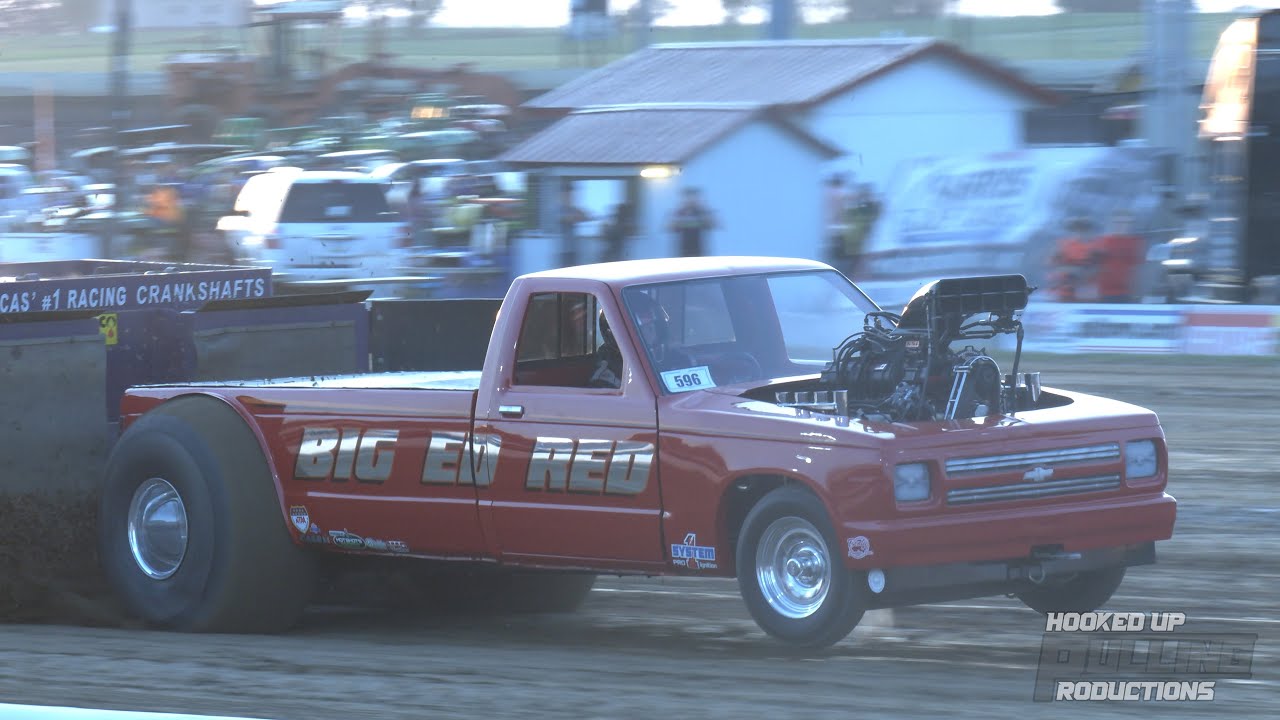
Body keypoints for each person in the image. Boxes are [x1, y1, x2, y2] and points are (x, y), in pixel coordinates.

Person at [1094, 210, 1145, 303]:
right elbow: (1094, 268)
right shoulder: (1102, 242)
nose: (1122, 225)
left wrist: (1138, 293)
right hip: (1102, 294)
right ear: (1112, 224)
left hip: (1128, 294)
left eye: (1126, 223)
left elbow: (1139, 270)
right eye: (1119, 222)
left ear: (1131, 224)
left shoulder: (1136, 243)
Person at [1048, 216, 1100, 302]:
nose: (1080, 233)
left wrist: (1084, 273)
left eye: (1084, 229)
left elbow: (1097, 267)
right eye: (1076, 230)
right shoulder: (1062, 245)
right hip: (1063, 289)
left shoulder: (1095, 247)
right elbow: (1052, 265)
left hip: (1087, 289)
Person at [668, 187, 717, 257]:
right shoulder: (680, 213)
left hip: (699, 251)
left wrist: (706, 215)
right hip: (683, 252)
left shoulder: (702, 212)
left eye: (693, 198)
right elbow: (670, 227)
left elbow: (712, 224)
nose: (691, 200)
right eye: (688, 198)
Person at [558, 185, 589, 267]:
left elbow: (585, 216)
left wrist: (575, 216)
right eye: (567, 195)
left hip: (573, 249)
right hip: (561, 250)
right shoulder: (558, 209)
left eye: (571, 195)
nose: (570, 198)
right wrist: (574, 217)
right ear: (562, 195)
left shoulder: (573, 209)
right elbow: (566, 219)